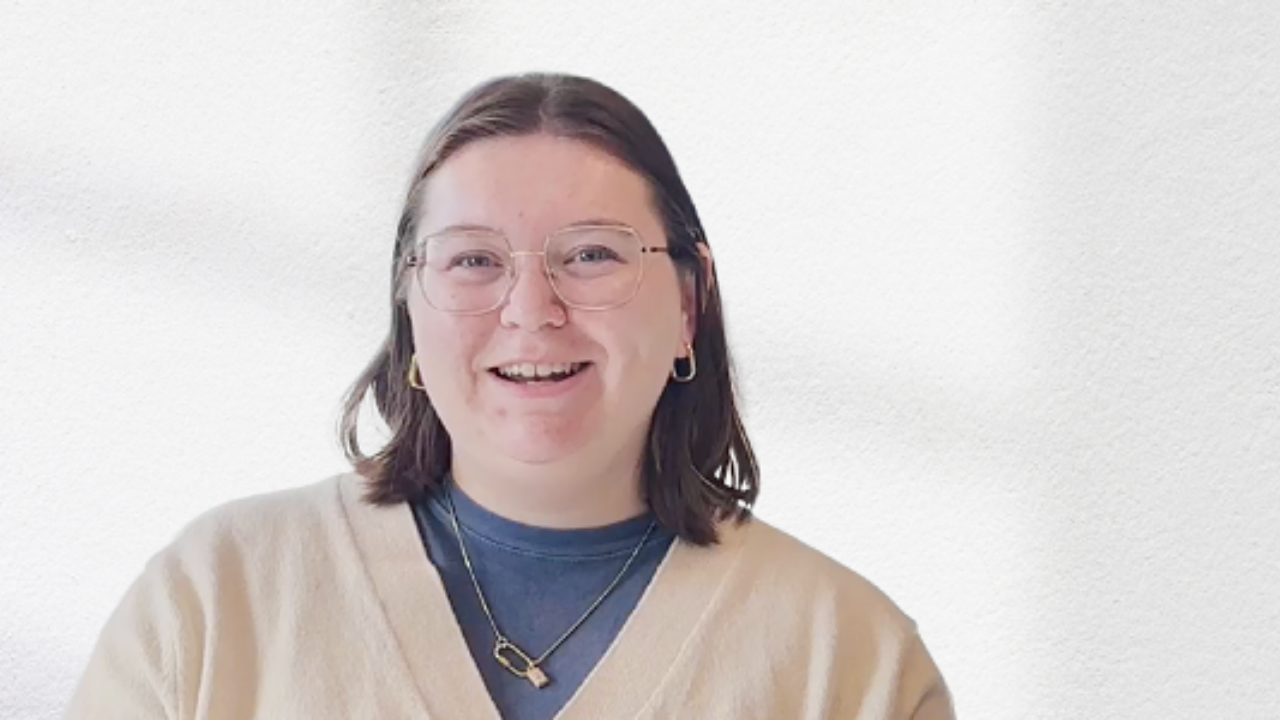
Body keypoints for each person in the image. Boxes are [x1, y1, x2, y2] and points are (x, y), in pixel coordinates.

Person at [65, 73, 955, 719]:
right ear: (409, 310)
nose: (533, 312)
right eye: (474, 261)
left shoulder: (853, 661)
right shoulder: (213, 602)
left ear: (689, 302)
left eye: (593, 255)